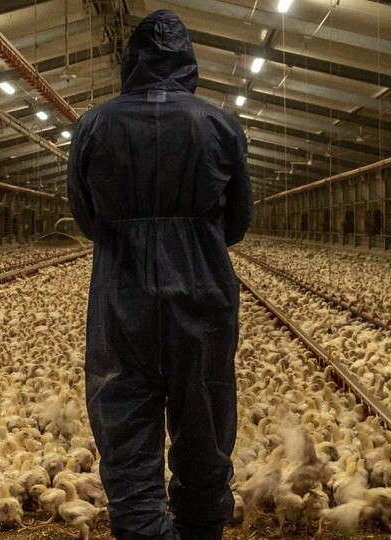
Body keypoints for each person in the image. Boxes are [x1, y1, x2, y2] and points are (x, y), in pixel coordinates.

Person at [65, 9, 252, 540]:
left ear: (132, 60)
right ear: (187, 60)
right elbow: (237, 223)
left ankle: (145, 531)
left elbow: (86, 218)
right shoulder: (219, 123)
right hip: (203, 298)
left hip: (120, 302)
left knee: (126, 435)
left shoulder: (93, 125)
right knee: (205, 430)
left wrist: (130, 230)